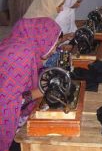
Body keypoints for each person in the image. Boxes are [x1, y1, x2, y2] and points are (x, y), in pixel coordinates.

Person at [0, 17, 62, 151]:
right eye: (54, 44)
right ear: (43, 38)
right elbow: (8, 102)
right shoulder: (22, 54)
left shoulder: (23, 45)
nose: (54, 49)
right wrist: (41, 91)